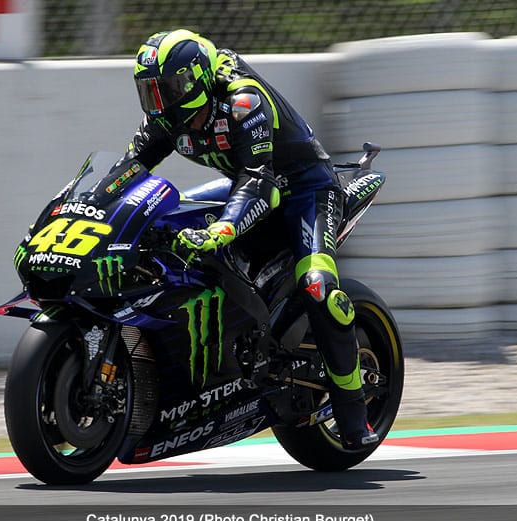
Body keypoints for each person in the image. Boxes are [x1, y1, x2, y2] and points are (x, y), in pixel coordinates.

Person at [119, 28, 377, 451]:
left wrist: (221, 229)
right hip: (244, 185)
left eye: (167, 89)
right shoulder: (167, 118)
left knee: (318, 286)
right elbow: (129, 169)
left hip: (305, 191)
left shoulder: (243, 102)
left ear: (195, 81)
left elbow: (261, 184)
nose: (158, 102)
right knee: (166, 222)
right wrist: (88, 205)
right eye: (150, 92)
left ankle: (353, 412)